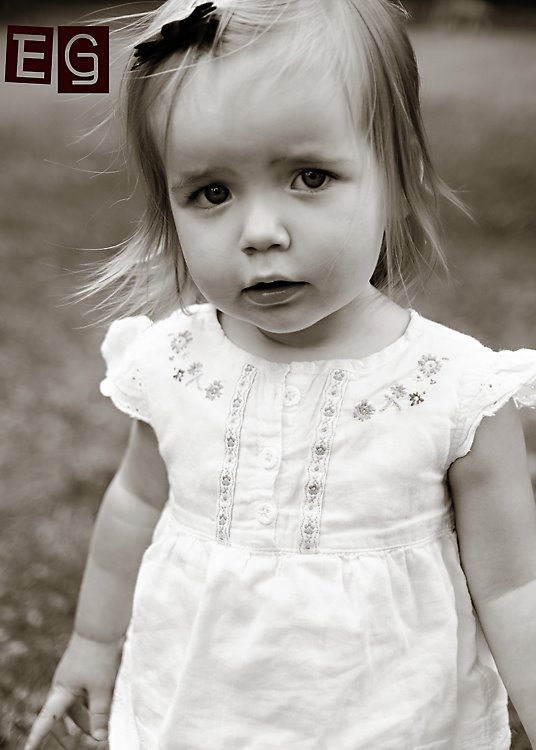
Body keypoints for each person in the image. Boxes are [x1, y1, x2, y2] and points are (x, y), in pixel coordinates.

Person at [25, 1, 536, 748]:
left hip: (394, 723)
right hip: (193, 711)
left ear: (398, 179)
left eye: (310, 176)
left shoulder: (455, 392)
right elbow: (135, 502)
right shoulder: (175, 365)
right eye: (212, 193)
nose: (260, 232)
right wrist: (94, 642)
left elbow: (514, 586)